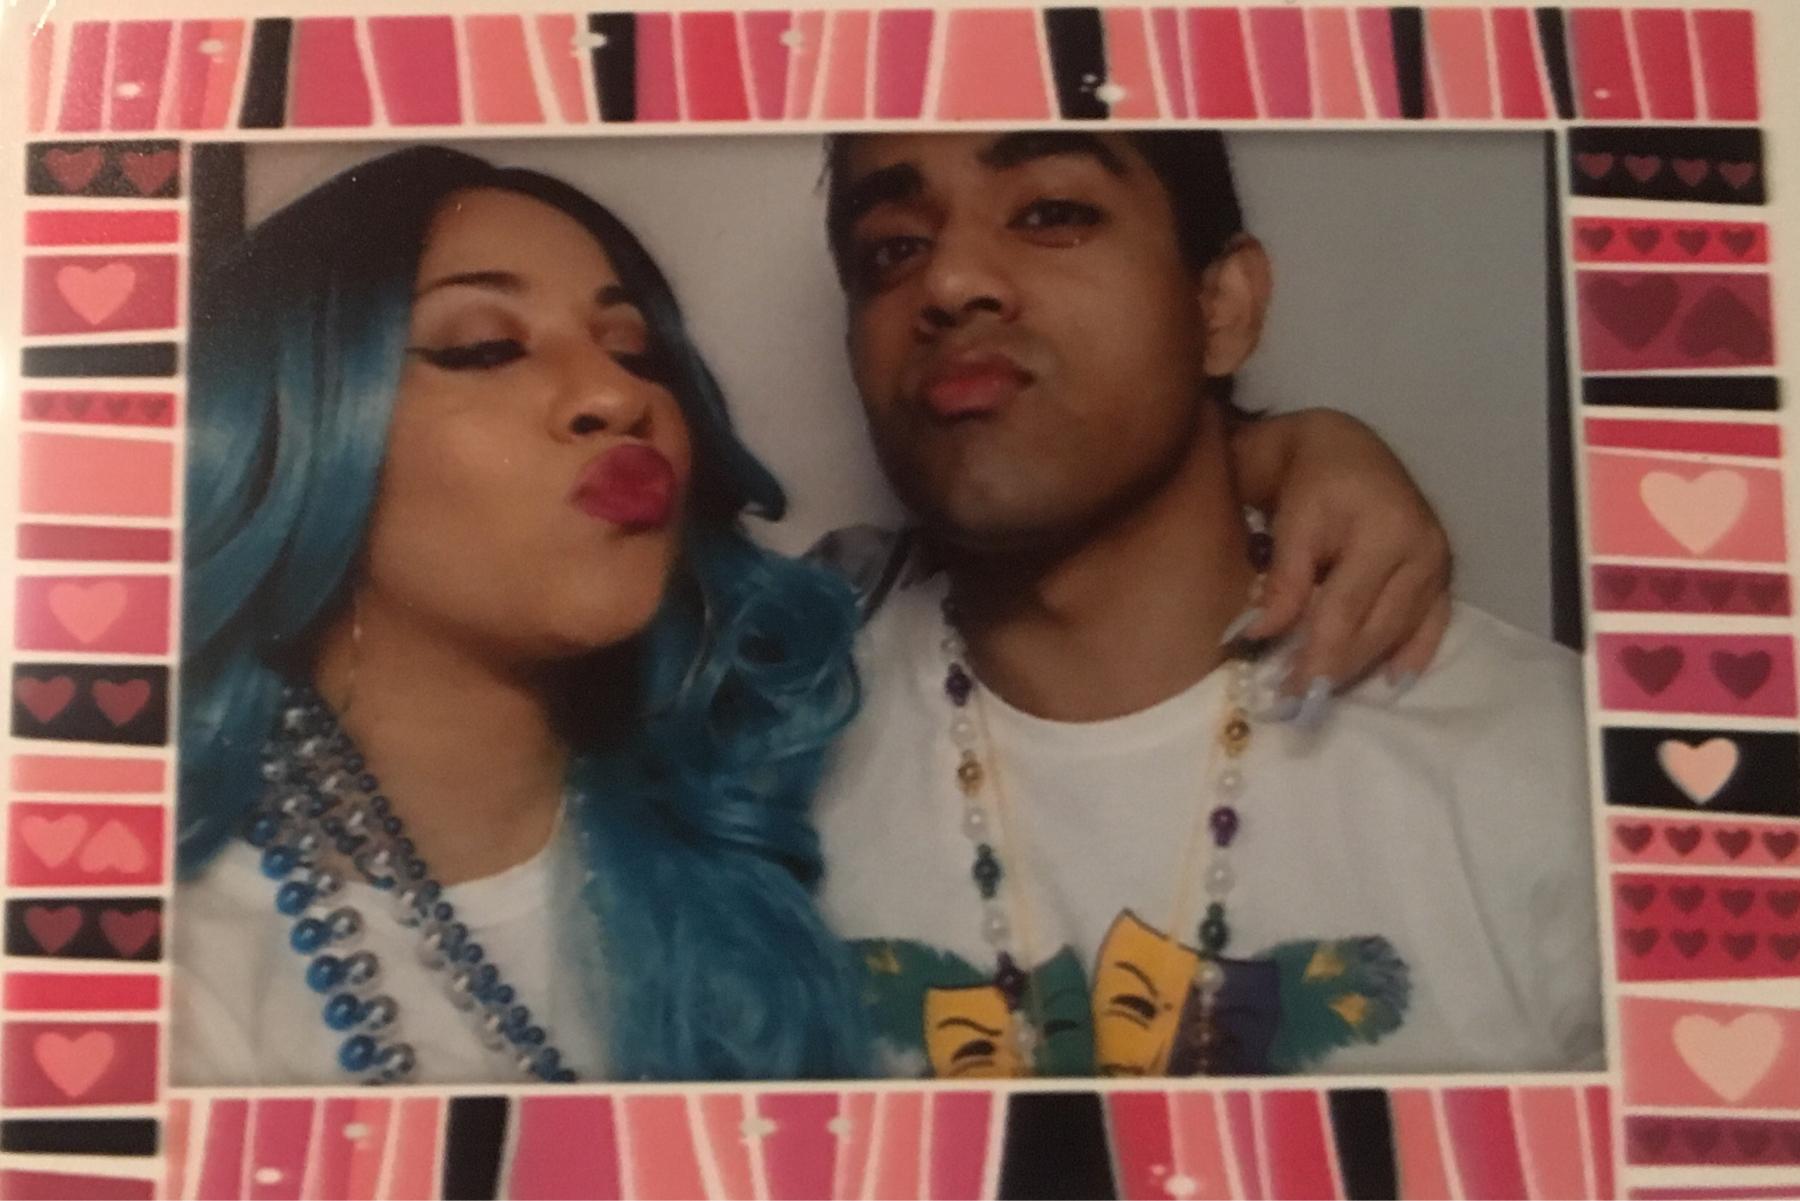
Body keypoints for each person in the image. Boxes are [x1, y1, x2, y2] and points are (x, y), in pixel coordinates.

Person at [171, 144, 1454, 1086]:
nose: (618, 397)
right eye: (483, 346)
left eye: (635, 350)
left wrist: (1278, 447)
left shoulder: (758, 738)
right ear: (290, 424)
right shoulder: (166, 974)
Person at [813, 131, 1602, 1078]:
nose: (948, 282)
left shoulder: (1567, 772)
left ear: (1222, 305)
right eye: (894, 247)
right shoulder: (748, 763)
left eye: (1052, 213)